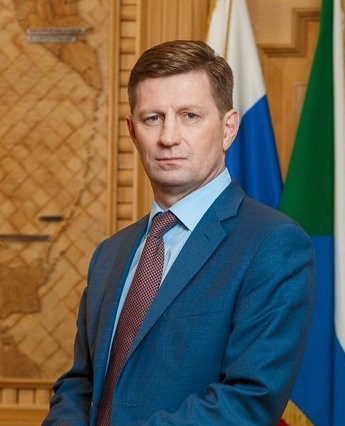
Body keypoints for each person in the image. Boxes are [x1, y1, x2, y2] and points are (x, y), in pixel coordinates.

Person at [43, 40, 315, 425]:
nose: (169, 137)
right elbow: (80, 384)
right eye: (153, 118)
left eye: (189, 116)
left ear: (228, 128)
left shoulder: (273, 245)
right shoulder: (110, 254)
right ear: (132, 131)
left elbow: (249, 400)